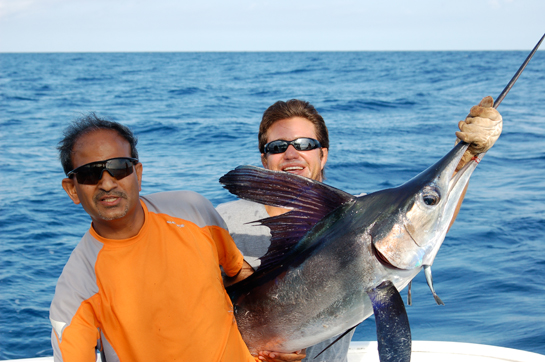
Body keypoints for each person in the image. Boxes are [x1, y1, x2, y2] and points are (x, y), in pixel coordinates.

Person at [217, 97, 502, 362]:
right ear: (264, 159)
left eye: (304, 144)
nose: (292, 153)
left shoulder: (359, 218)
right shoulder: (222, 220)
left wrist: (467, 159)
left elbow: (430, 221)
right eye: (278, 147)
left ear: (323, 155)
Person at [49, 114, 305, 362]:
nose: (107, 183)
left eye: (119, 167)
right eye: (89, 174)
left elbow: (240, 274)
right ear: (72, 189)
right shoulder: (76, 291)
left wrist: (275, 339)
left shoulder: (193, 210)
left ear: (137, 174)